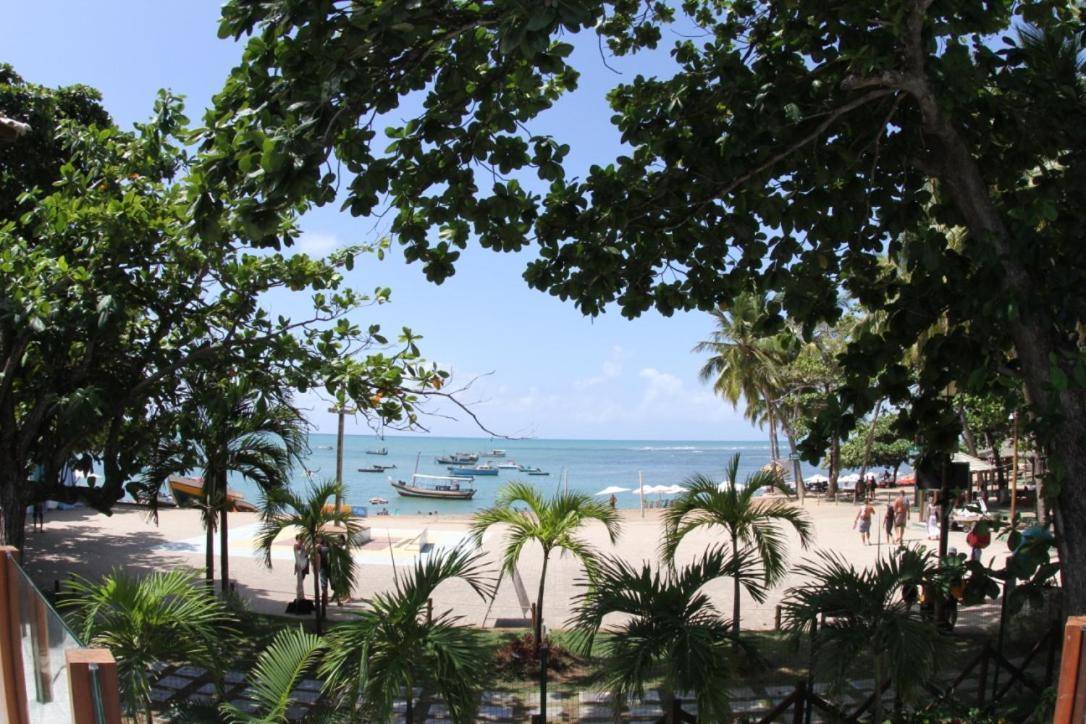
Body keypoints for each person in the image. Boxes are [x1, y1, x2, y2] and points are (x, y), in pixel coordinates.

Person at [292, 534, 309, 600]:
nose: (302, 540)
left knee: (302, 579)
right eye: (300, 539)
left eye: (303, 539)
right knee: (299, 580)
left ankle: (301, 595)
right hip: (299, 564)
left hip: (305, 563)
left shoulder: (304, 546)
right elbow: (297, 554)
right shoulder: (296, 546)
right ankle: (299, 595)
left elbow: (307, 553)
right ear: (297, 539)